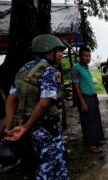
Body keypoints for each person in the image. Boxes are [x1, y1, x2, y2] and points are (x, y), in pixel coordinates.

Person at [4, 34, 68, 179]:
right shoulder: (50, 71)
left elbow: (11, 99)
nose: (61, 55)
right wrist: (25, 127)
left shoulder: (24, 69)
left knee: (49, 161)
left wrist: (10, 125)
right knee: (49, 165)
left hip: (31, 130)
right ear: (47, 51)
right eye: (57, 51)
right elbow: (45, 102)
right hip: (46, 128)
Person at [71, 47, 105, 153]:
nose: (87, 58)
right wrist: (82, 102)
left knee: (95, 119)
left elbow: (89, 83)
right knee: (88, 121)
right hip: (84, 97)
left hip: (92, 97)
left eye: (89, 55)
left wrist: (95, 97)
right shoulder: (76, 68)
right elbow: (75, 87)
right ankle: (91, 144)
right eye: (85, 55)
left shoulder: (88, 68)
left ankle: (97, 140)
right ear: (80, 56)